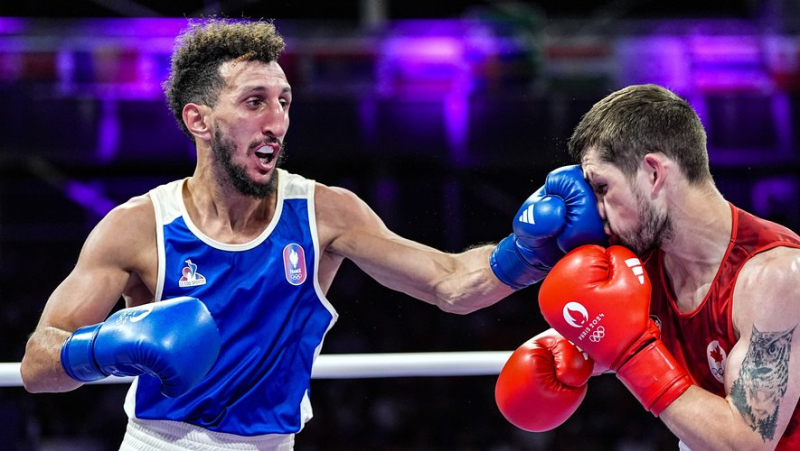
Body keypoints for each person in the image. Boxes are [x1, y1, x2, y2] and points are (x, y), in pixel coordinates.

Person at [19, 17, 607, 450]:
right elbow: (36, 366)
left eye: (283, 101)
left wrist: (531, 249)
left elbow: (451, 285)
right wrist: (101, 348)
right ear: (198, 120)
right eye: (254, 102)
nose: (276, 120)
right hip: (156, 442)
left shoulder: (324, 213)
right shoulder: (135, 228)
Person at [528, 84, 800, 450]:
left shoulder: (777, 275)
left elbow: (746, 444)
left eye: (602, 187)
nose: (596, 212)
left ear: (654, 173)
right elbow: (584, 342)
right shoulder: (641, 265)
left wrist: (632, 353)